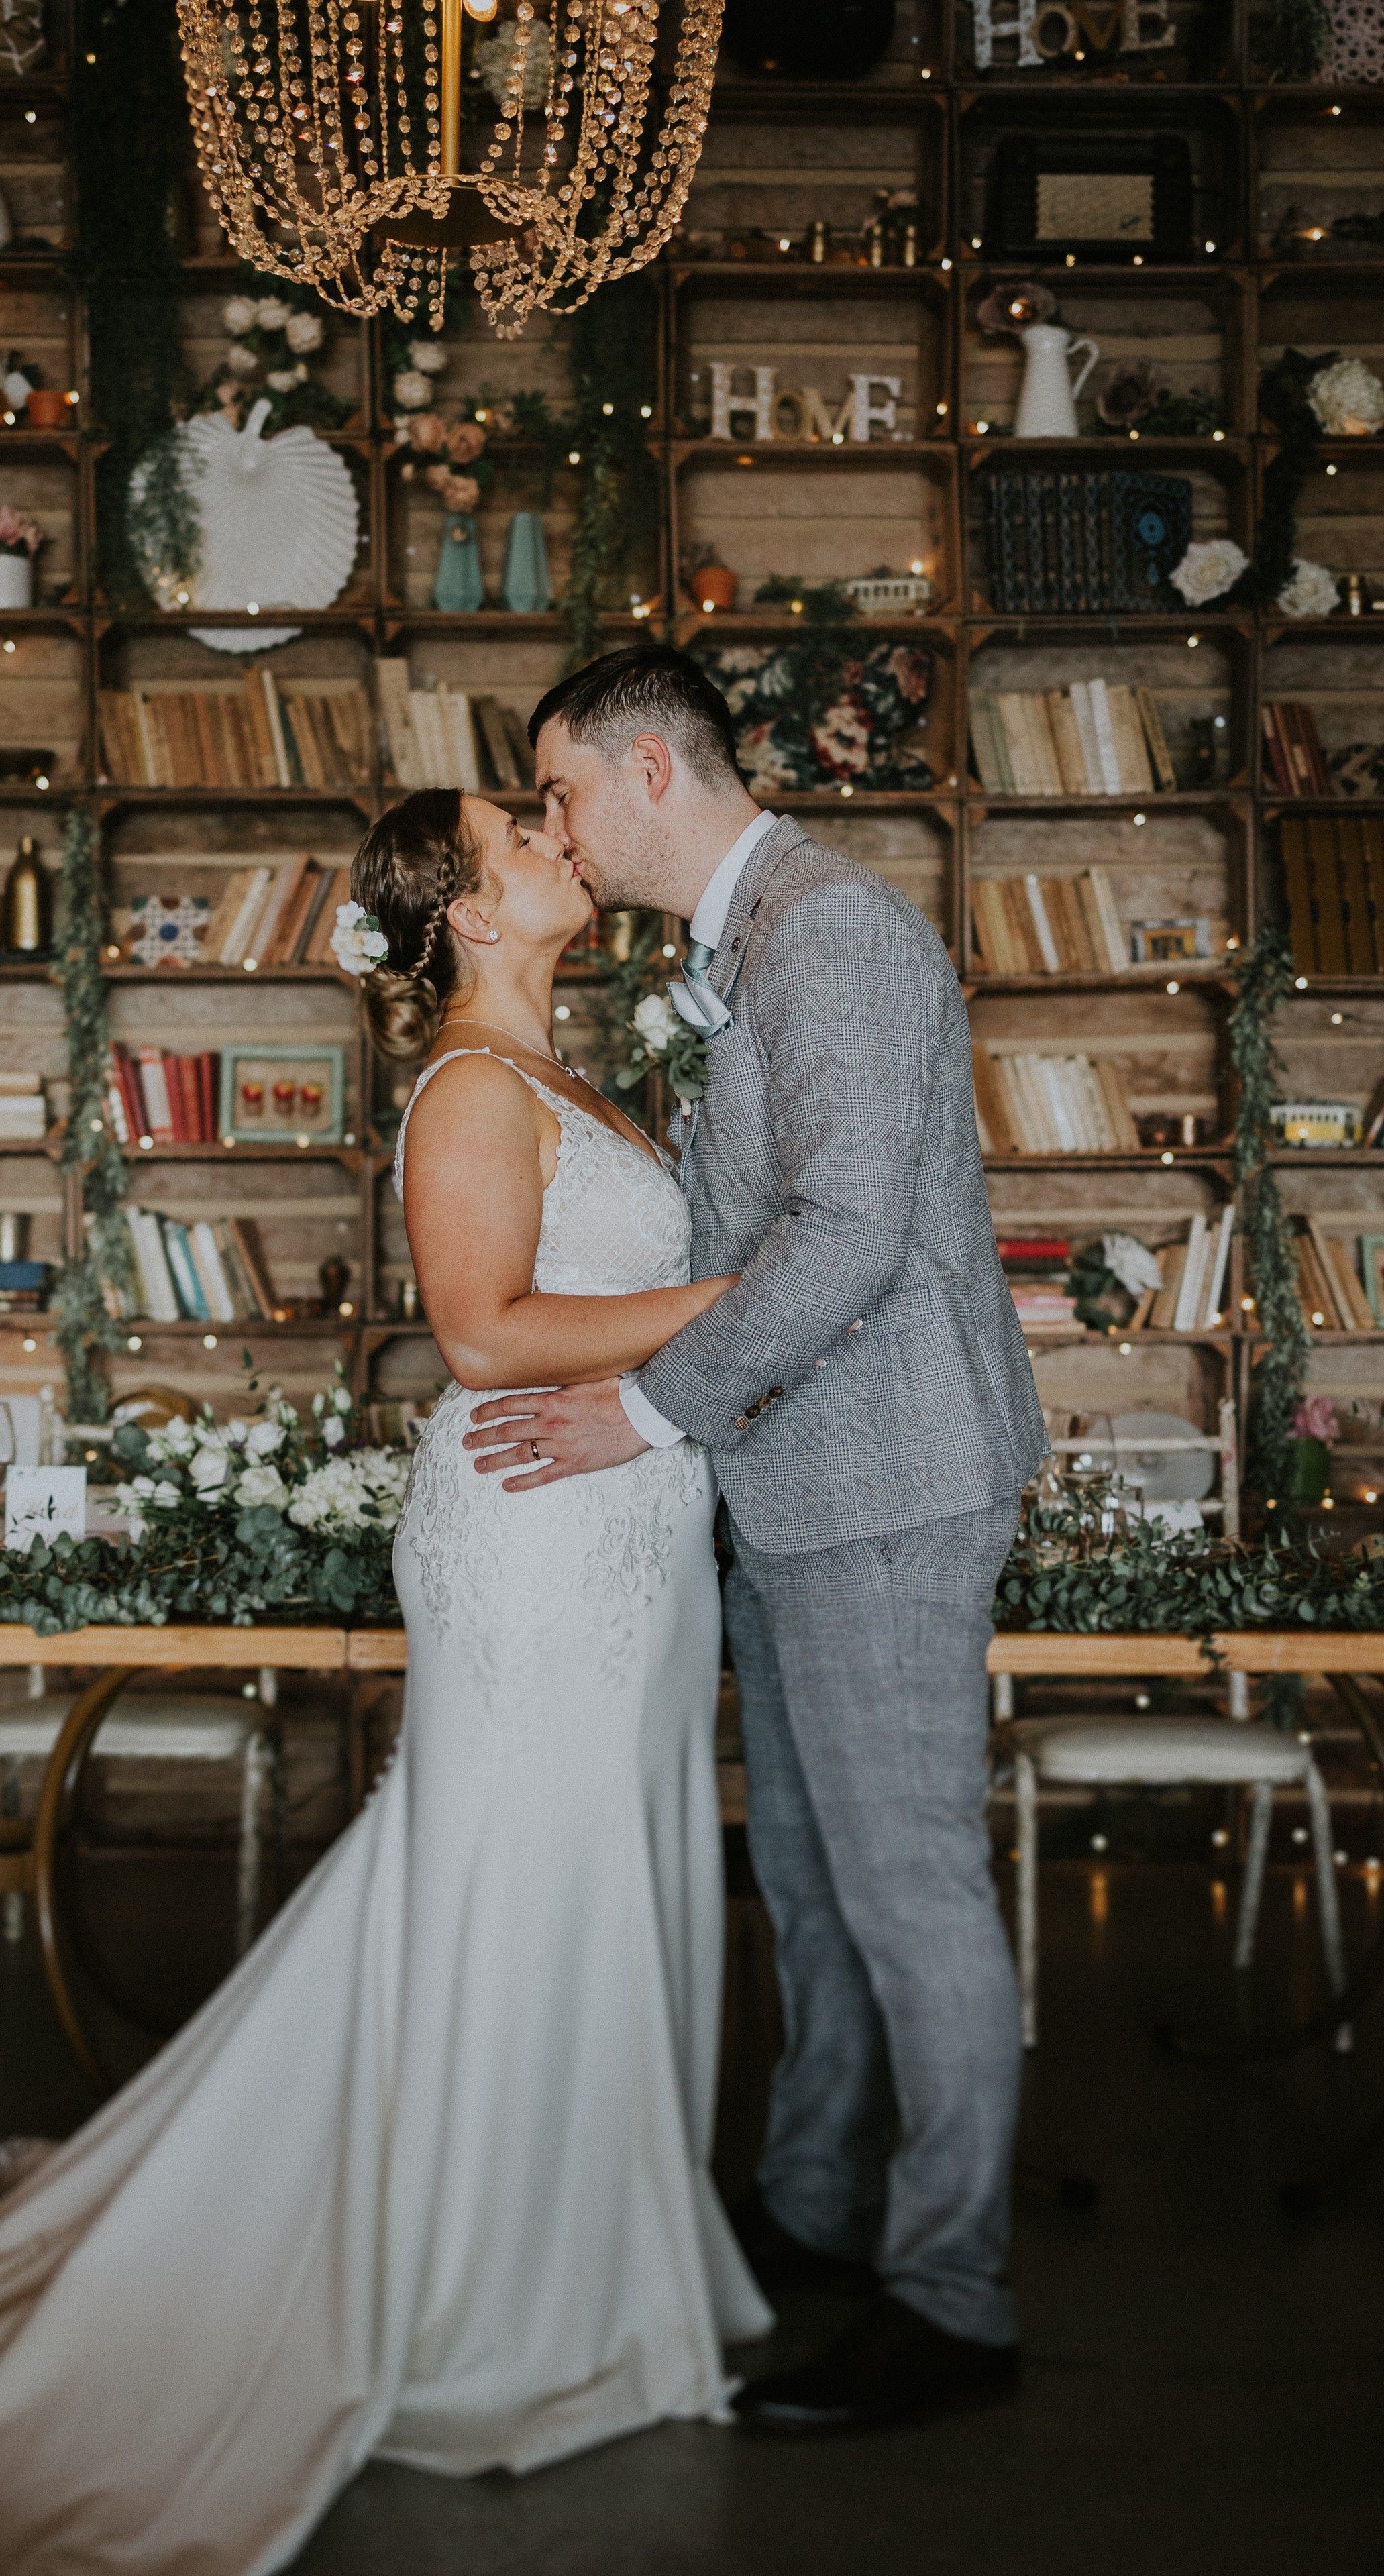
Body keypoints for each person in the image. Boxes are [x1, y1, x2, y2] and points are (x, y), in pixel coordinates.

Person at [0, 784, 770, 2576]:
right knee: (517, 1885)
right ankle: (487, 2306)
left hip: (626, 1536)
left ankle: (589, 2273)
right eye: (524, 833)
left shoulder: (564, 1074)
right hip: (541, 1551)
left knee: (590, 1881)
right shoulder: (479, 1091)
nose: (565, 841)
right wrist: (742, 1298)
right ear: (469, 913)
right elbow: (483, 1331)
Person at [464, 642, 1047, 2436]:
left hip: (887, 1482)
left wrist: (641, 1413)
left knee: (909, 1891)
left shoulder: (833, 934)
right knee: (810, 1882)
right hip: (800, 1488)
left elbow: (856, 1235)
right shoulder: (747, 945)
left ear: (650, 773)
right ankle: (809, 2204)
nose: (552, 826)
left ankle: (951, 2297)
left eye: (559, 790)